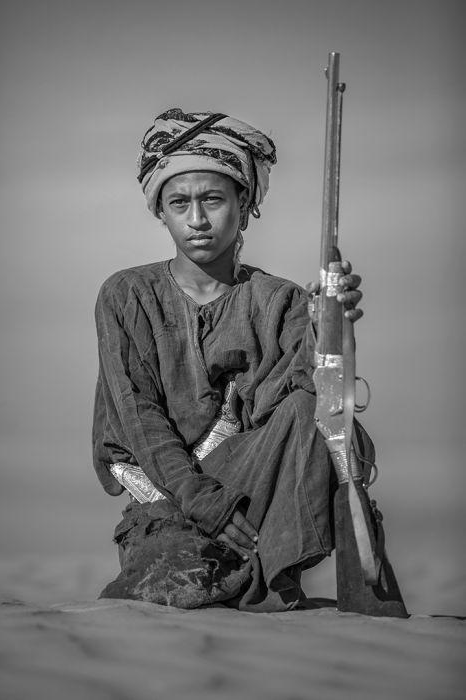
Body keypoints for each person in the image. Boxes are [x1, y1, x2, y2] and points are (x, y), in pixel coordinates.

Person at [92, 108, 367, 612]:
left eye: (213, 200)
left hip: (251, 496)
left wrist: (335, 329)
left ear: (244, 204)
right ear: (161, 211)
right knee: (173, 580)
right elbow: (138, 418)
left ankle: (268, 576)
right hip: (168, 501)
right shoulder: (127, 295)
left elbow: (318, 407)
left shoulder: (279, 300)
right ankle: (239, 576)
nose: (197, 219)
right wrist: (205, 504)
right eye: (180, 203)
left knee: (308, 410)